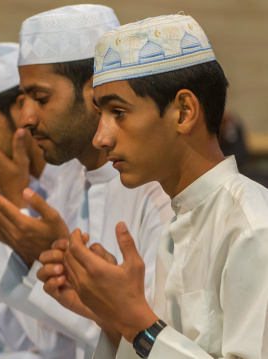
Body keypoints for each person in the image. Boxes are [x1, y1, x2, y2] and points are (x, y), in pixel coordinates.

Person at [39, 14, 268, 359]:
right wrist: (112, 314)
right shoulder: (177, 224)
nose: (100, 137)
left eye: (118, 112)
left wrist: (138, 323)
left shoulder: (253, 227)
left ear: (183, 112)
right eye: (101, 114)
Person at [0, 5, 173, 358]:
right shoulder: (67, 179)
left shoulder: (157, 191)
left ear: (94, 91)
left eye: (41, 98)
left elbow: (157, 341)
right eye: (22, 99)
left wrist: (56, 256)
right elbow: (46, 343)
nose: (26, 118)